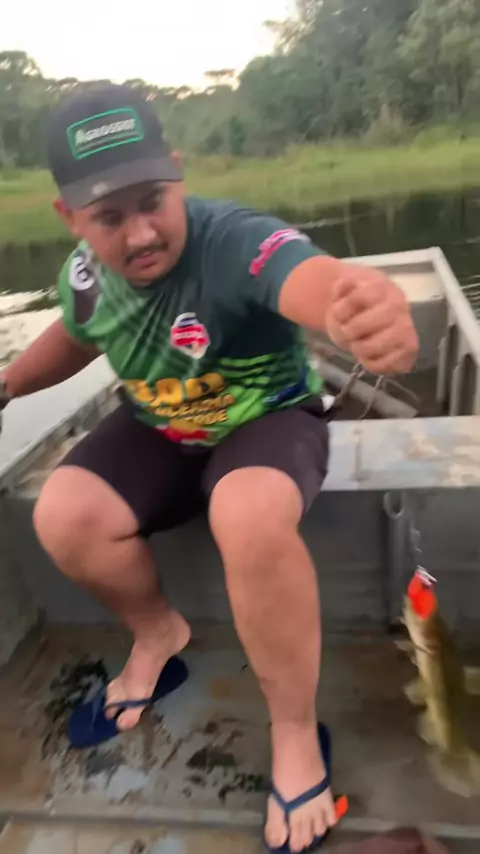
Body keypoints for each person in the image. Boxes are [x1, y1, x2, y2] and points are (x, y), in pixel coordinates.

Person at [0, 84, 418, 854]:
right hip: (162, 420)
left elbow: (311, 280)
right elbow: (77, 335)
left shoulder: (234, 241)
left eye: (153, 201)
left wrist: (358, 308)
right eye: (109, 217)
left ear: (178, 172)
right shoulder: (86, 277)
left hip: (268, 418)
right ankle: (158, 634)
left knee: (246, 514)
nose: (140, 232)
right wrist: (6, 384)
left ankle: (294, 732)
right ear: (69, 217)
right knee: (63, 515)